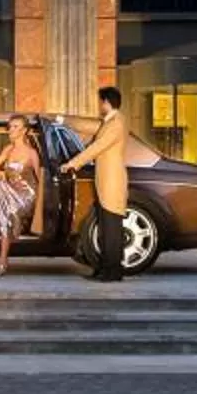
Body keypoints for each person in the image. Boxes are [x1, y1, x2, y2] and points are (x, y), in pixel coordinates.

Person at [60, 86, 133, 282]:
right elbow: (91, 131)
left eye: (100, 101)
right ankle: (104, 268)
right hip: (105, 181)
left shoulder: (117, 123)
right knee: (105, 227)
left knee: (111, 229)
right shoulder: (109, 122)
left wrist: (72, 164)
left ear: (106, 102)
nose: (99, 105)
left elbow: (97, 147)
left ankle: (113, 271)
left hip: (112, 181)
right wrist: (63, 121)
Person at [0, 118, 44, 277]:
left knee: (6, 209)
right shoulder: (8, 149)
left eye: (15, 127)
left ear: (24, 131)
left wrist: (40, 207)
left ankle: (2, 257)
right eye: (10, 127)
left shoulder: (31, 153)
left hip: (26, 194)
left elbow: (41, 180)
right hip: (9, 193)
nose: (11, 130)